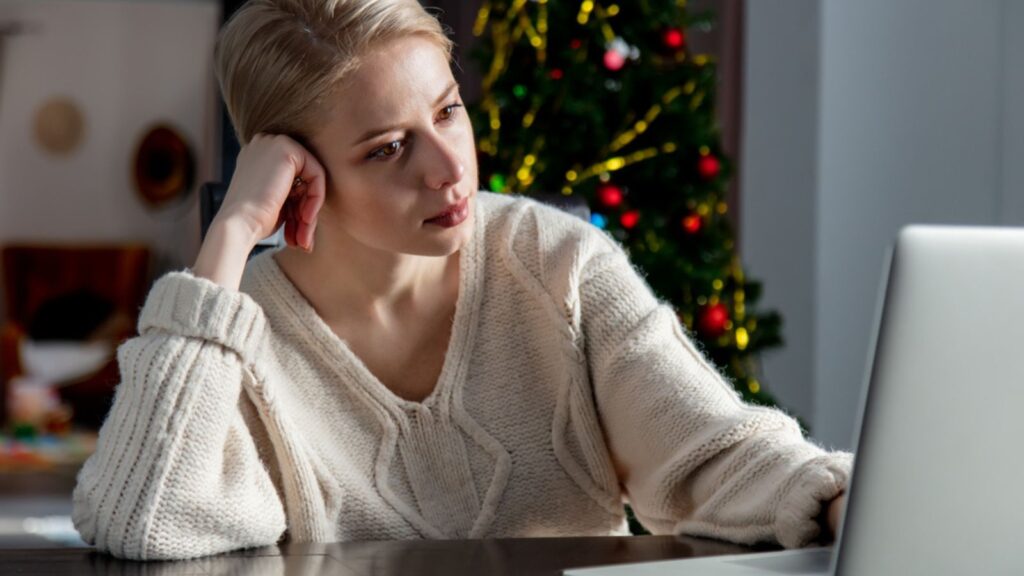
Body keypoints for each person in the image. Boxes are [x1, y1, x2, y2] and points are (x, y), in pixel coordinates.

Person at [72, 0, 851, 561]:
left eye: (448, 112)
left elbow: (716, 455)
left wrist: (844, 497)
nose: (450, 171)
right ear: (297, 172)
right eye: (386, 149)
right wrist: (235, 229)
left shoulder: (555, 261)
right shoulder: (243, 341)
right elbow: (145, 518)